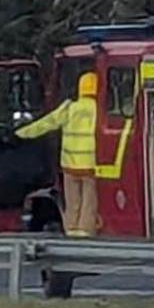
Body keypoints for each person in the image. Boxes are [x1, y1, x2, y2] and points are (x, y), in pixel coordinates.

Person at [10, 72, 114, 238]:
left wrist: (21, 133)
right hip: (90, 166)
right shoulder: (99, 110)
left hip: (69, 166)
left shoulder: (69, 108)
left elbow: (46, 123)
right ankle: (86, 233)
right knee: (89, 202)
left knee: (72, 202)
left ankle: (71, 231)